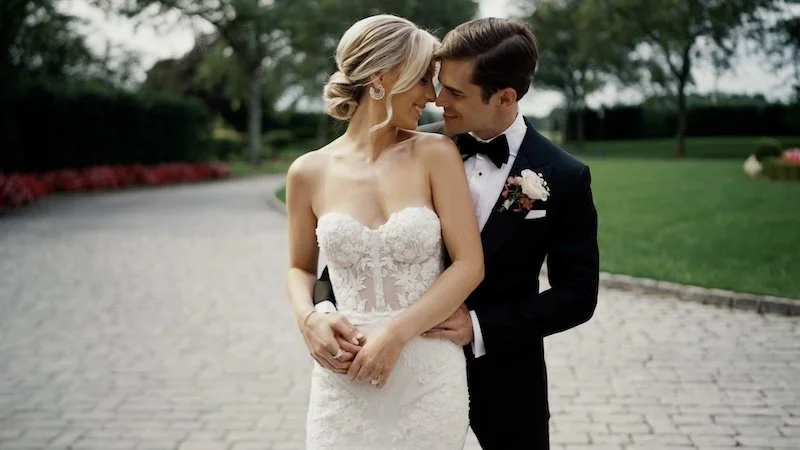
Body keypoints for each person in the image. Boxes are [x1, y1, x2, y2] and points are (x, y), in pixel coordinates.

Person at [313, 17, 600, 449]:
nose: (437, 99)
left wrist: (479, 327)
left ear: (504, 97)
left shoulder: (563, 176)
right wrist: (321, 310)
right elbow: (353, 251)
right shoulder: (409, 148)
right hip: (397, 372)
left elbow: (578, 295)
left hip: (505, 378)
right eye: (438, 83)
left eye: (456, 93)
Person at [284, 14, 485, 450]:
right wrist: (309, 320)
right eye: (422, 81)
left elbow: (469, 265)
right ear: (381, 76)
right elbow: (300, 268)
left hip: (427, 374)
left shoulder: (436, 154)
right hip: (343, 374)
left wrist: (394, 337)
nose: (432, 96)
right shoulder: (307, 172)